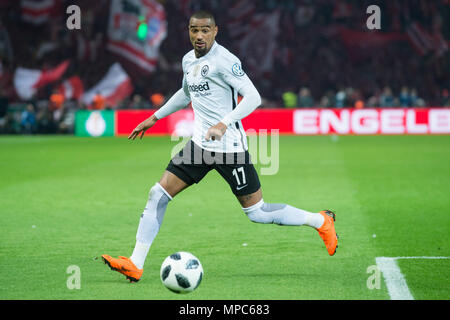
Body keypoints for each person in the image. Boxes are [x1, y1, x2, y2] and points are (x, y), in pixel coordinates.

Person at [101, 11, 338, 283]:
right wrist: (154, 117)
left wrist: (224, 123)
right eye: (194, 30)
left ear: (215, 31)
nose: (199, 36)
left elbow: (253, 97)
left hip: (230, 148)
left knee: (257, 213)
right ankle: (135, 263)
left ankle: (320, 221)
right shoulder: (188, 60)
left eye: (204, 30)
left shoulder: (226, 61)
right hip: (199, 146)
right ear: (188, 31)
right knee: (158, 194)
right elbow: (185, 94)